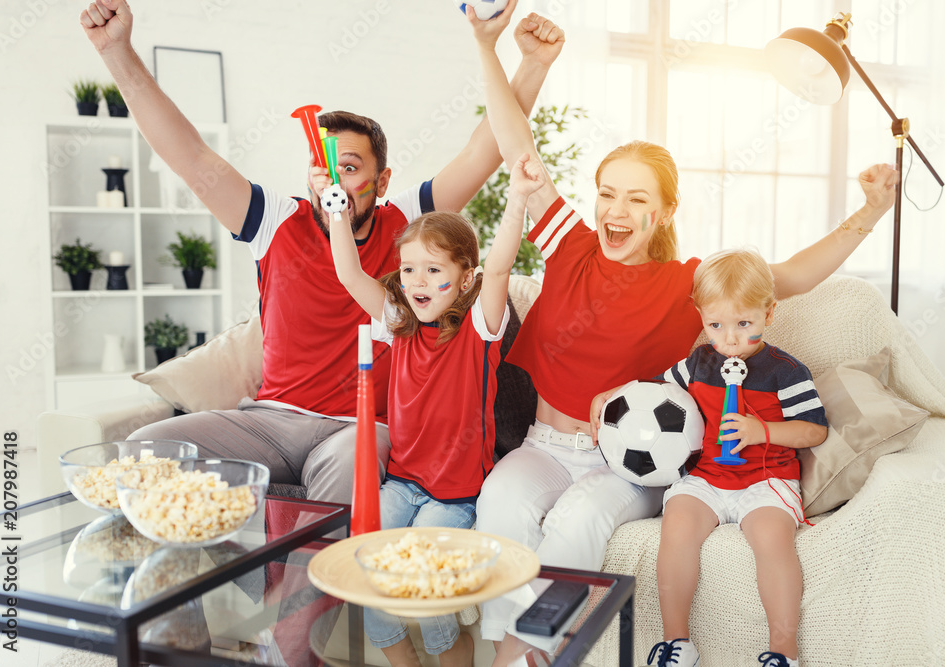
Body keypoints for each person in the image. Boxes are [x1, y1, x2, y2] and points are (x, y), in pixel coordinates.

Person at [466, 4, 898, 664]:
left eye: (637, 199)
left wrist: (870, 210)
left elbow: (789, 276)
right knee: (499, 499)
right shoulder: (570, 245)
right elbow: (515, 143)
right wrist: (484, 42)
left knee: (578, 521)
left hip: (628, 460)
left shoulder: (690, 285)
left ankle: (530, 655)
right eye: (608, 193)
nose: (617, 210)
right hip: (546, 444)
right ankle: (503, 651)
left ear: (666, 210)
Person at [79, 0, 564, 507]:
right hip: (269, 421)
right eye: (323, 166)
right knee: (142, 451)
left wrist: (531, 65)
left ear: (382, 179)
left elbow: (480, 154)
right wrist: (117, 51)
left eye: (350, 167)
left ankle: (322, 587)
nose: (335, 181)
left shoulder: (407, 223)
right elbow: (188, 154)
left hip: (358, 429)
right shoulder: (273, 220)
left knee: (347, 473)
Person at [328, 148, 545, 667]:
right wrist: (337, 210)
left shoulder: (479, 330)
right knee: (365, 564)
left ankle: (453, 654)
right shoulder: (400, 324)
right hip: (402, 482)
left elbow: (498, 271)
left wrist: (516, 198)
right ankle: (403, 659)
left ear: (463, 278)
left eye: (432, 269)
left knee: (424, 583)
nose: (417, 281)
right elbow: (349, 275)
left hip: (457, 495)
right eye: (408, 270)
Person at [644, 248, 827, 667]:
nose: (729, 338)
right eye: (716, 325)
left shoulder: (786, 371)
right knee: (677, 527)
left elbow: (814, 430)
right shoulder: (698, 363)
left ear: (769, 312)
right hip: (708, 477)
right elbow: (657, 392)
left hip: (767, 479)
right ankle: (677, 643)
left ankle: (783, 651)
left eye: (744, 324)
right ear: (701, 317)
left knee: (772, 540)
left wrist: (760, 431)